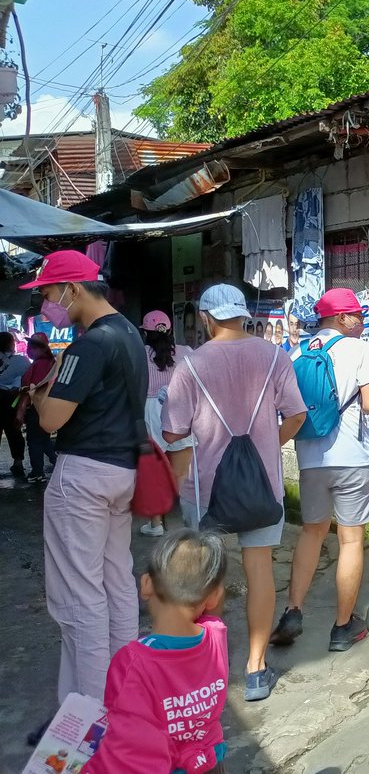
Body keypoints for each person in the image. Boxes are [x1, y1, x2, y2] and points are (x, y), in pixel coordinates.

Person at [161, 284, 307, 702]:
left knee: (206, 573)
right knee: (259, 569)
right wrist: (267, 444)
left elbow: (173, 430)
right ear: (243, 315)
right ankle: (256, 667)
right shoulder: (274, 356)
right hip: (264, 486)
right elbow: (297, 414)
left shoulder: (191, 364)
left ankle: (206, 666)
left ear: (206, 318)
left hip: (206, 488)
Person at [21, 250, 147, 707]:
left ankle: (91, 714)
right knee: (116, 582)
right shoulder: (130, 333)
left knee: (80, 597)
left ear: (73, 289)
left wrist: (36, 395)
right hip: (122, 473)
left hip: (84, 476)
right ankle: (125, 695)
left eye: (49, 294)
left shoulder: (89, 344)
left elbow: (53, 420)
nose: (46, 305)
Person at [271, 288, 369, 653]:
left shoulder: (296, 352)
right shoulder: (358, 349)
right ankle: (342, 627)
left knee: (311, 534)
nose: (362, 322)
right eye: (358, 316)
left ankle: (292, 610)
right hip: (352, 458)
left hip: (310, 459)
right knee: (350, 539)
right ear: (341, 318)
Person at [83, 529, 229, 774]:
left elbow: (130, 754)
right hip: (211, 761)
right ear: (213, 596)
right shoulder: (216, 635)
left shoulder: (133, 663)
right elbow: (208, 614)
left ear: (146, 583)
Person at [140, 310, 194, 538]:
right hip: (181, 406)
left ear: (145, 333)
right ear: (170, 330)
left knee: (154, 471)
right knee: (182, 473)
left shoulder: (140, 354)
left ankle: (156, 523)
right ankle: (188, 523)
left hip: (151, 409)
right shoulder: (187, 352)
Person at [17, 332, 57, 484]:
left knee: (34, 440)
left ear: (39, 348)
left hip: (36, 407)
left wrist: (21, 409)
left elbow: (33, 389)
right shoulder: (48, 362)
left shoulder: (40, 365)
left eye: (30, 346)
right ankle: (57, 461)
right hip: (45, 407)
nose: (28, 349)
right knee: (43, 439)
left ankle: (38, 472)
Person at [0, 330, 31, 483]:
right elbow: (28, 381)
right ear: (11, 344)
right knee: (14, 431)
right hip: (11, 401)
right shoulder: (22, 361)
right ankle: (18, 462)